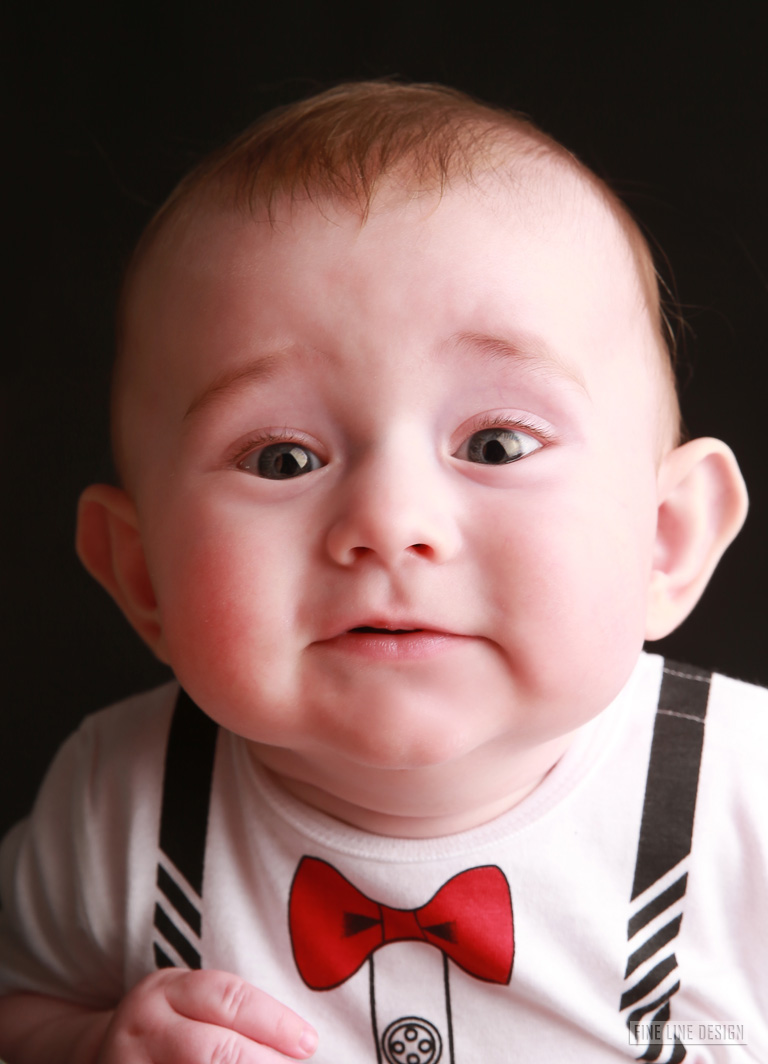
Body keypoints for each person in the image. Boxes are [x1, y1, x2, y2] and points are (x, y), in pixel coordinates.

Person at [0, 81, 764, 1063]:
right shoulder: (117, 803)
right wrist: (86, 1043)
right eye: (283, 458)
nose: (389, 522)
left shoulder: (743, 799)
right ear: (142, 574)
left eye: (495, 444)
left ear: (667, 538)